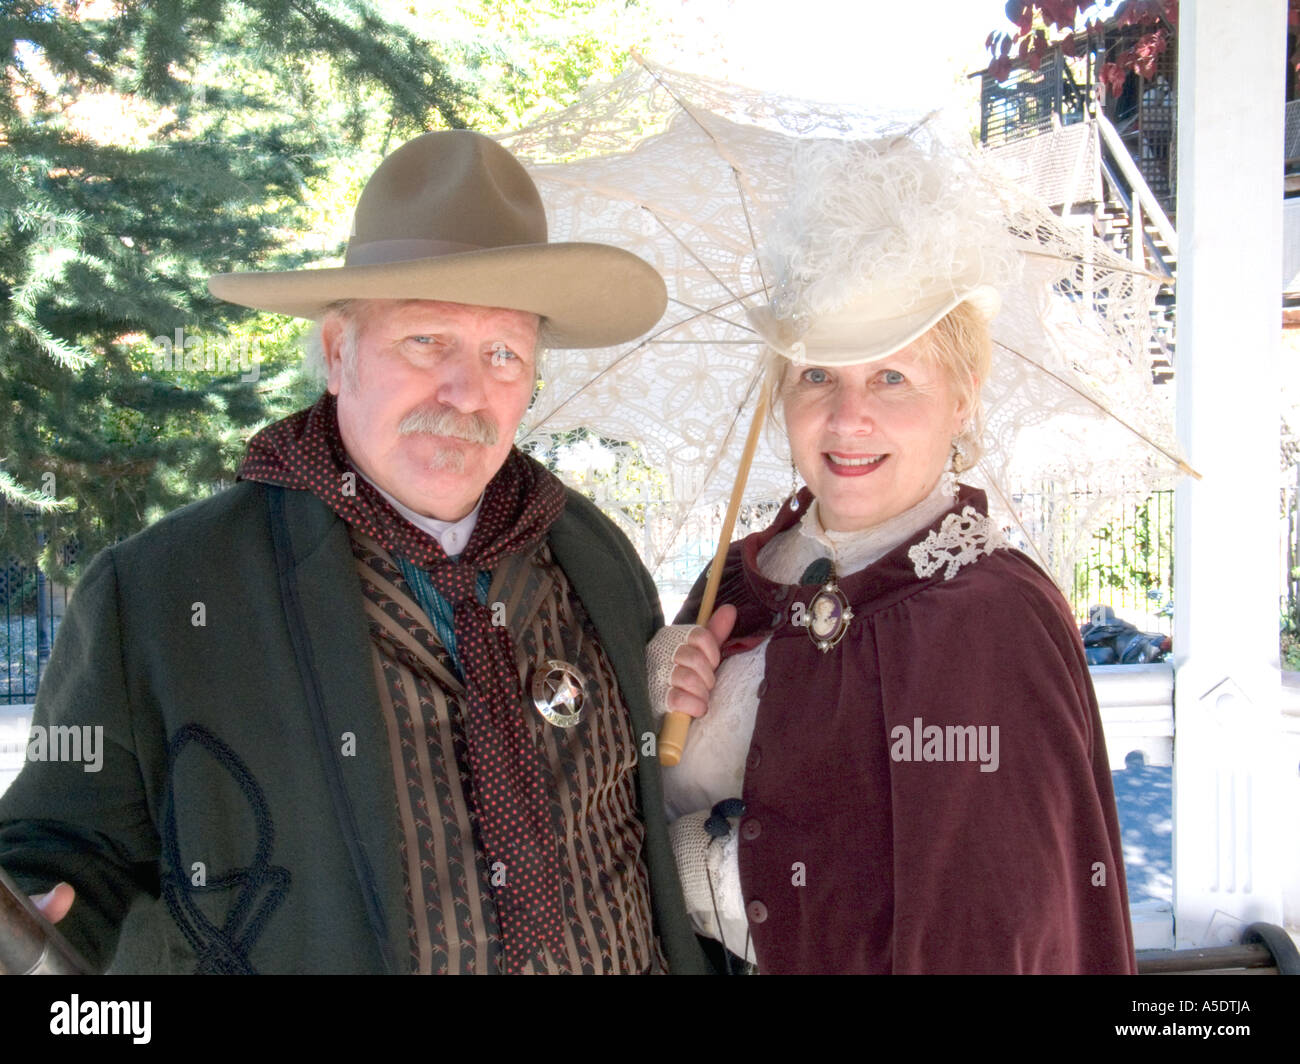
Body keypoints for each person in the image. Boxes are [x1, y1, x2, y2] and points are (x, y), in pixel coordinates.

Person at [0, 130, 710, 975]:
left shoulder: (589, 549)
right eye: (426, 342)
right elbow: (62, 847)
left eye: (502, 354)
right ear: (339, 353)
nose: (466, 393)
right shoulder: (161, 593)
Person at [649, 135, 1138, 974]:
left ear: (961, 397)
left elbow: (997, 925)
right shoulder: (734, 579)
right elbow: (617, 816)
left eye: (891, 379)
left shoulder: (995, 616)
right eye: (816, 377)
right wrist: (657, 704)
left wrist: (715, 875)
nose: (847, 418)